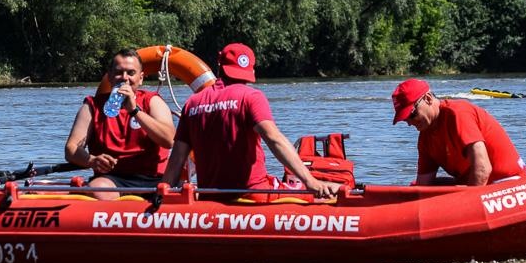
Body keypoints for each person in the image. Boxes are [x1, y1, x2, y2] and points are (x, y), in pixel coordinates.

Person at [162, 43, 342, 200]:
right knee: (332, 189)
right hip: (252, 193)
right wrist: (310, 181)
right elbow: (274, 139)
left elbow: (177, 158)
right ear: (251, 70)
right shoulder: (251, 97)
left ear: (220, 65)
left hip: (210, 195)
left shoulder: (193, 103)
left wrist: (161, 197)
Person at [65, 48, 175, 200]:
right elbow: (71, 149)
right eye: (118, 72)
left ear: (141, 78)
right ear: (109, 77)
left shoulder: (153, 101)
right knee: (98, 190)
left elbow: (168, 140)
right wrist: (91, 160)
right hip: (112, 179)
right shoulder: (92, 106)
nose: (124, 78)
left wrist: (134, 110)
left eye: (130, 73)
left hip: (153, 179)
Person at [392, 79, 526, 186]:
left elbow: (483, 169)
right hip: (478, 184)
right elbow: (423, 184)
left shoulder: (458, 114)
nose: (409, 123)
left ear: (428, 98)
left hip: (507, 182)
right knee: (417, 186)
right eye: (404, 119)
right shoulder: (425, 139)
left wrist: (466, 205)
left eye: (412, 115)